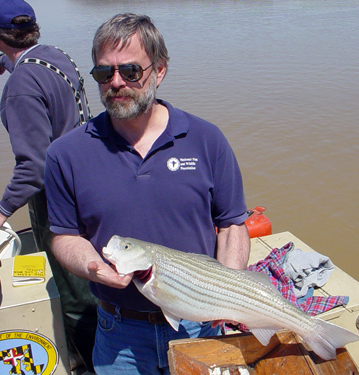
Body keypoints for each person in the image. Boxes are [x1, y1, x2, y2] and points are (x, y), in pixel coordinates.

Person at [44, 13, 250, 375]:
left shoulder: (207, 140)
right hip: (117, 332)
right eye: (104, 73)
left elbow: (233, 225)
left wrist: (224, 293)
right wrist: (94, 268)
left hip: (198, 325)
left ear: (159, 71)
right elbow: (64, 236)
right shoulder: (65, 153)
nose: (117, 82)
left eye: (131, 71)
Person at [0, 0, 97, 372]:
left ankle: (91, 365)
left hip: (54, 197)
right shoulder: (54, 56)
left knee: (74, 298)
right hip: (83, 180)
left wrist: (2, 210)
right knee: (87, 281)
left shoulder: (22, 84)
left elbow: (32, 168)